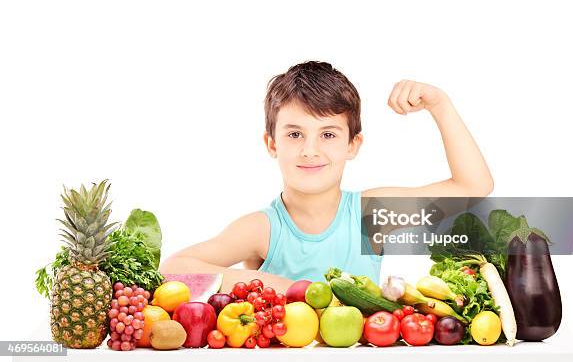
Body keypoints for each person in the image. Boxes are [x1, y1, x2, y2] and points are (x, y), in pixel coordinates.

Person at [160, 61, 494, 294]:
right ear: (271, 144)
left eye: (328, 135)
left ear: (353, 145)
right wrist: (285, 288)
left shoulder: (370, 215)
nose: (310, 150)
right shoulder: (262, 229)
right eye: (294, 135)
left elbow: (472, 186)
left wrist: (440, 104)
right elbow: (173, 267)